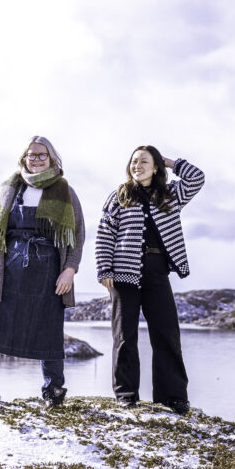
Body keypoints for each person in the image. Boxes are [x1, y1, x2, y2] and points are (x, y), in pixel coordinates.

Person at [0, 136, 85, 409]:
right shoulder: (11, 187)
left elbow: (76, 235)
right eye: (31, 155)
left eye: (42, 155)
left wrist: (70, 270)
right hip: (7, 267)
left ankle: (53, 390)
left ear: (52, 158)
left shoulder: (63, 189)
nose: (36, 159)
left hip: (48, 270)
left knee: (49, 328)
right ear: (24, 158)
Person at [95, 145, 204, 415]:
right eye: (134, 161)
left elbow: (197, 178)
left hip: (157, 271)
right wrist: (104, 269)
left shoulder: (170, 194)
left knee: (167, 334)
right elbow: (105, 233)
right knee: (124, 336)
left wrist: (169, 161)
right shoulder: (119, 196)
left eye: (144, 161)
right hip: (123, 272)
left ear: (155, 167)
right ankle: (126, 395)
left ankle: (172, 397)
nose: (137, 165)